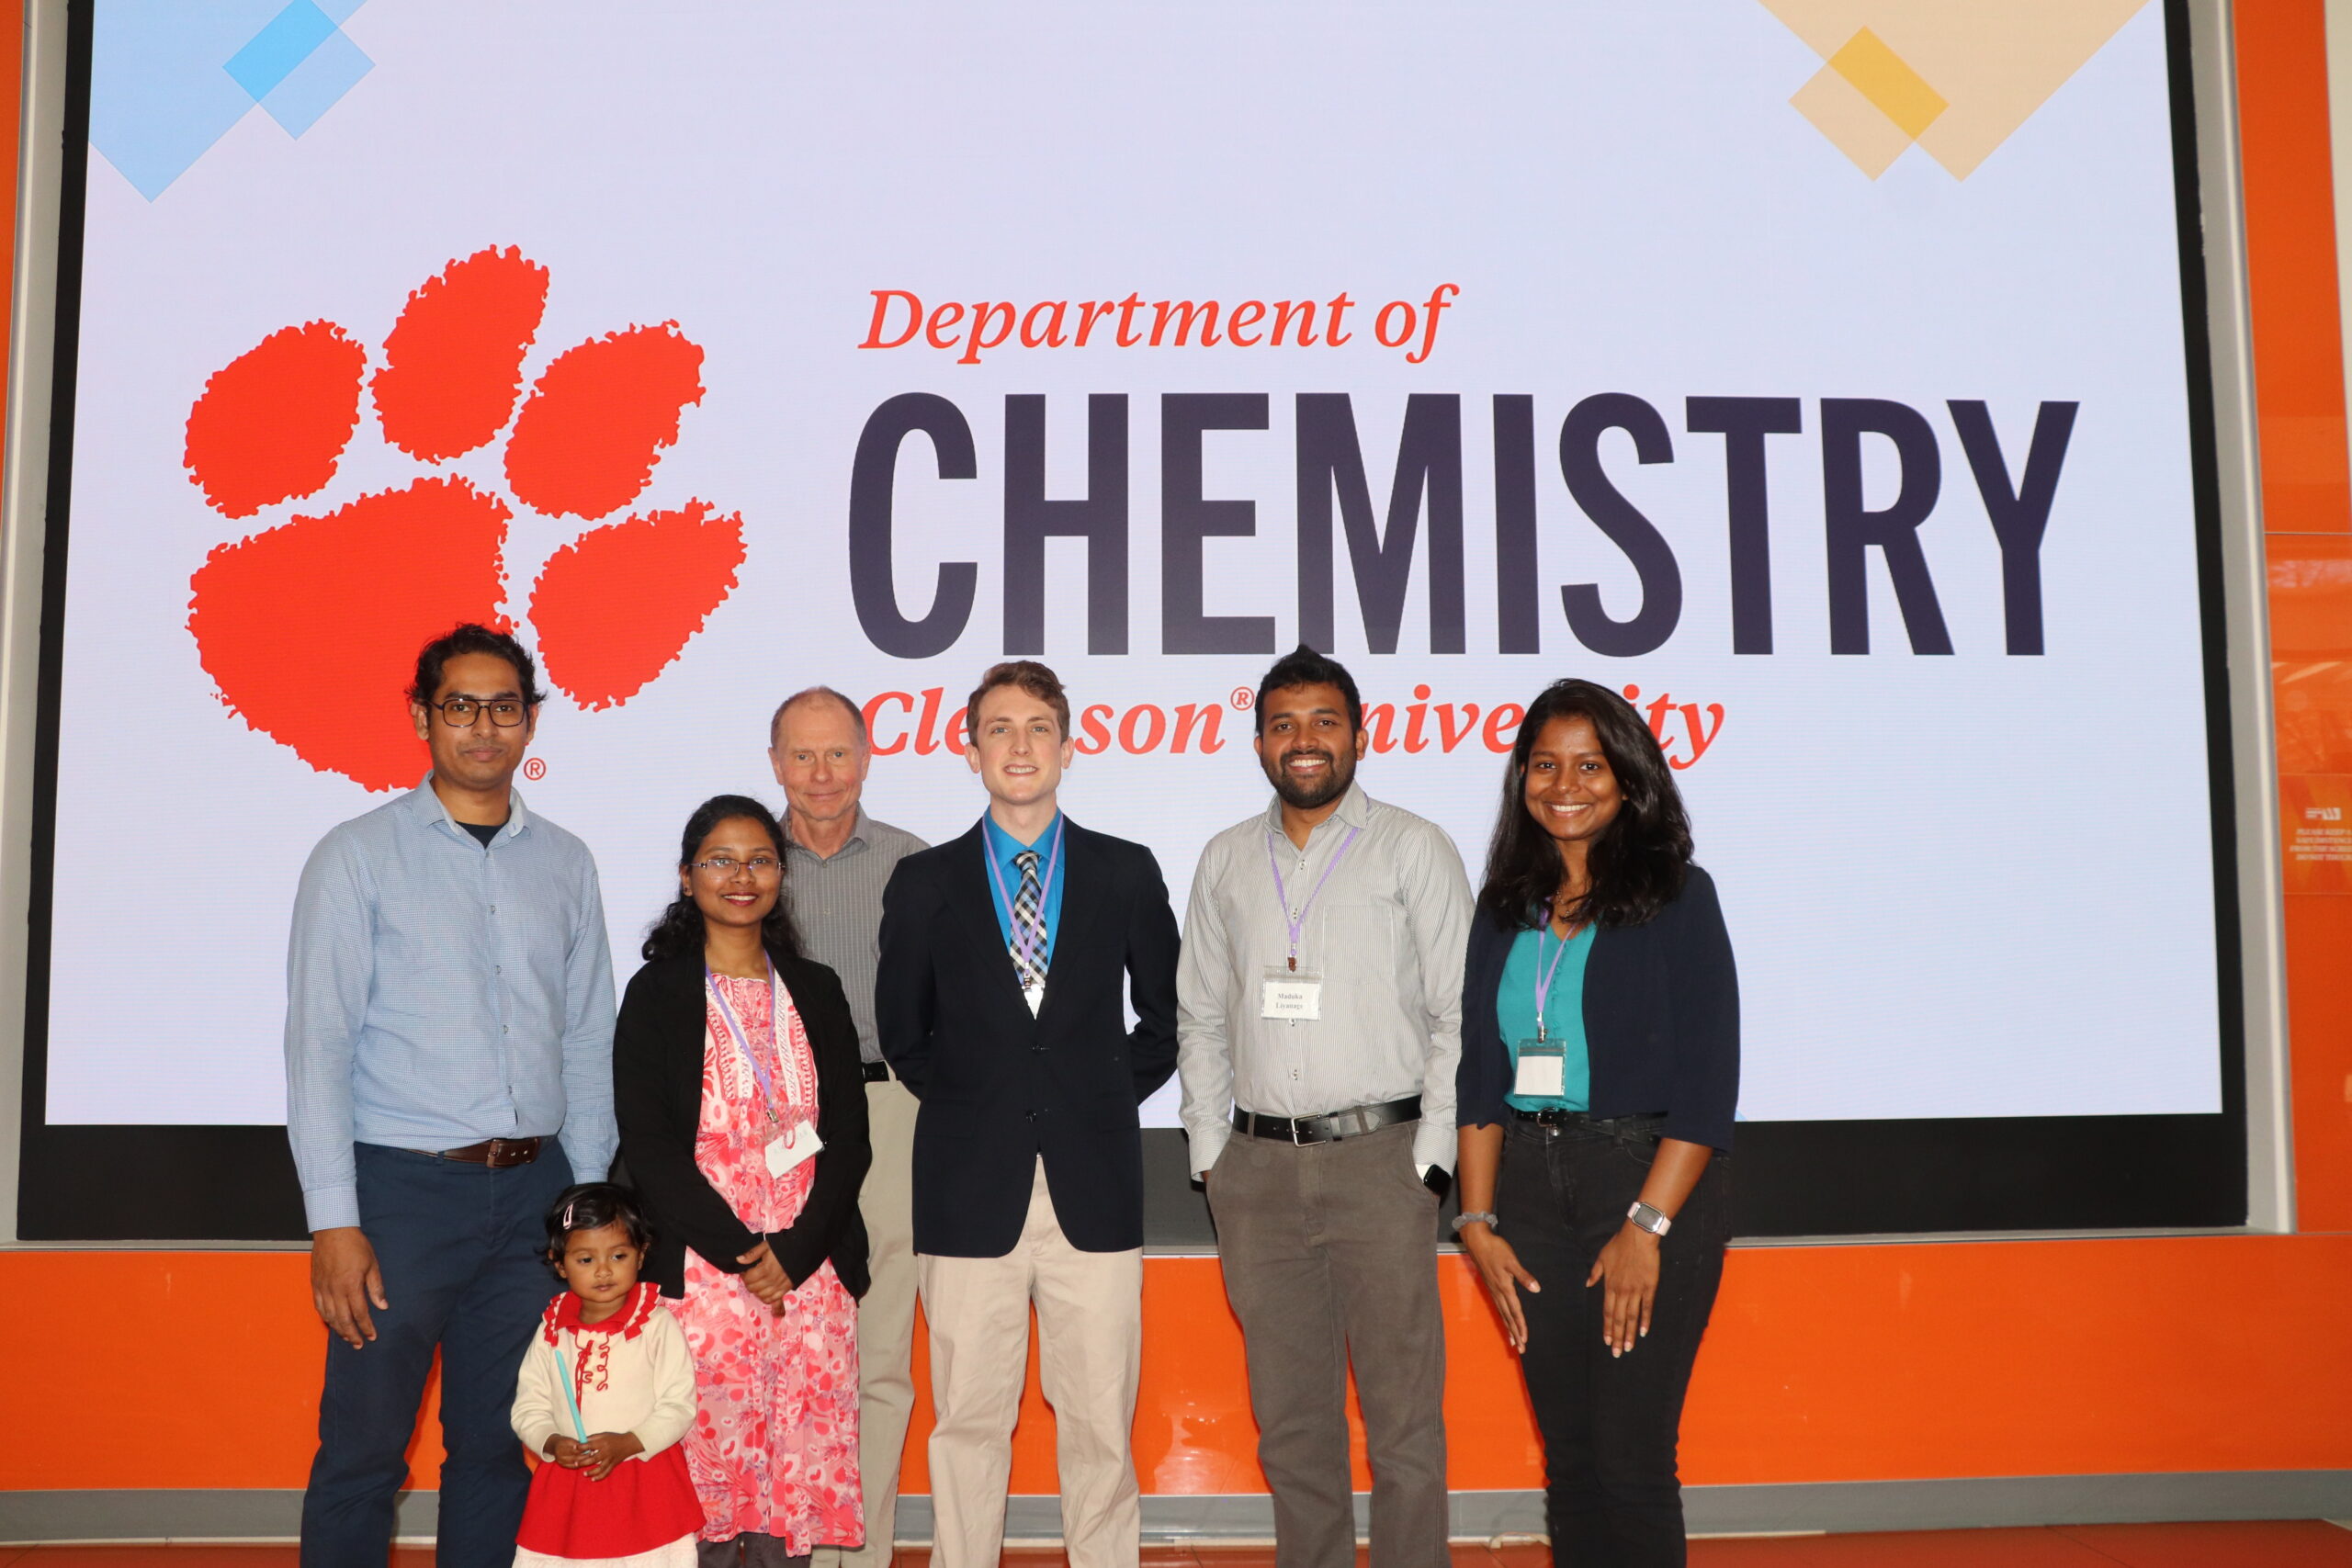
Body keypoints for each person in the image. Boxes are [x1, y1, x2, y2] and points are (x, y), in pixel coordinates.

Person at [287, 622, 616, 1568]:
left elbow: (587, 1034)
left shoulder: (565, 861)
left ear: (530, 722)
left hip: (535, 1198)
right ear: (422, 717)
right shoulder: (357, 856)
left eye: (503, 707)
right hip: (401, 1196)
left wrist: (587, 1198)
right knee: (363, 1454)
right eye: (460, 706)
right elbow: (318, 1045)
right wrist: (333, 1222)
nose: (483, 727)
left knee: (496, 1450)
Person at [876, 660, 1181, 1568]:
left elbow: (1167, 1021)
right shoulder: (923, 881)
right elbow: (903, 1035)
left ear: (1068, 746)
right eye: (999, 728)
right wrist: (990, 1105)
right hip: (968, 1186)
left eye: (1038, 727)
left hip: (1094, 1183)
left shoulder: (1124, 870)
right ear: (970, 751)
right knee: (967, 1419)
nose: (1020, 745)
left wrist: (1089, 1098)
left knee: (1099, 1422)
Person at [1176, 644, 1471, 1568]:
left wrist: (1431, 1158)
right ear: (1260, 742)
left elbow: (1458, 1013)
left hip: (1382, 1164)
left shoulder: (1414, 847)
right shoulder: (1225, 859)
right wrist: (1212, 1154)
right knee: (1292, 1424)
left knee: (1402, 1422)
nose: (1303, 741)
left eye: (1323, 722)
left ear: (1359, 735)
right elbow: (1200, 1015)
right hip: (1257, 1174)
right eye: (1283, 725)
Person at [1453, 679, 1738, 1568]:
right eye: (1545, 765)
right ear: (1522, 778)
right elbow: (1479, 1075)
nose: (1564, 785)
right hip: (1530, 1198)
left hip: (1642, 1186)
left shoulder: (1678, 896)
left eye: (1589, 765)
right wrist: (1476, 1221)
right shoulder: (1504, 906)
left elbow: (1707, 1086)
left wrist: (1645, 1228)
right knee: (1571, 1461)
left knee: (1630, 1461)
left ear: (1629, 778)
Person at [614, 795, 873, 1568]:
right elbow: (649, 1146)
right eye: (720, 860)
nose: (741, 876)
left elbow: (850, 1139)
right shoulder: (656, 993)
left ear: (780, 875)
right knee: (705, 1485)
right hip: (703, 1273)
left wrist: (796, 1250)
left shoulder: (817, 987)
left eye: (759, 860)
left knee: (792, 1481)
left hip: (808, 1274)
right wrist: (742, 1251)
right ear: (687, 876)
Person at [768, 688, 928, 1568]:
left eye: (837, 754)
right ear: (776, 764)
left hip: (891, 1113)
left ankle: (859, 1555)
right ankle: (786, 1547)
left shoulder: (917, 866)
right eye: (803, 755)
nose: (822, 773)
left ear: (866, 759)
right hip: (770, 1127)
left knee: (879, 1352)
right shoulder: (746, 864)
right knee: (781, 1351)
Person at [512, 1183, 704, 1567]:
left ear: (641, 1254)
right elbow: (528, 1406)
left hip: (644, 1484)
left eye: (618, 1255)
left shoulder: (655, 1324)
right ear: (559, 1263)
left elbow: (679, 1406)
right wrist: (551, 1441)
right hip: (568, 1488)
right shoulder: (552, 1329)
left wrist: (630, 1442)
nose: (603, 1270)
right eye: (585, 1259)